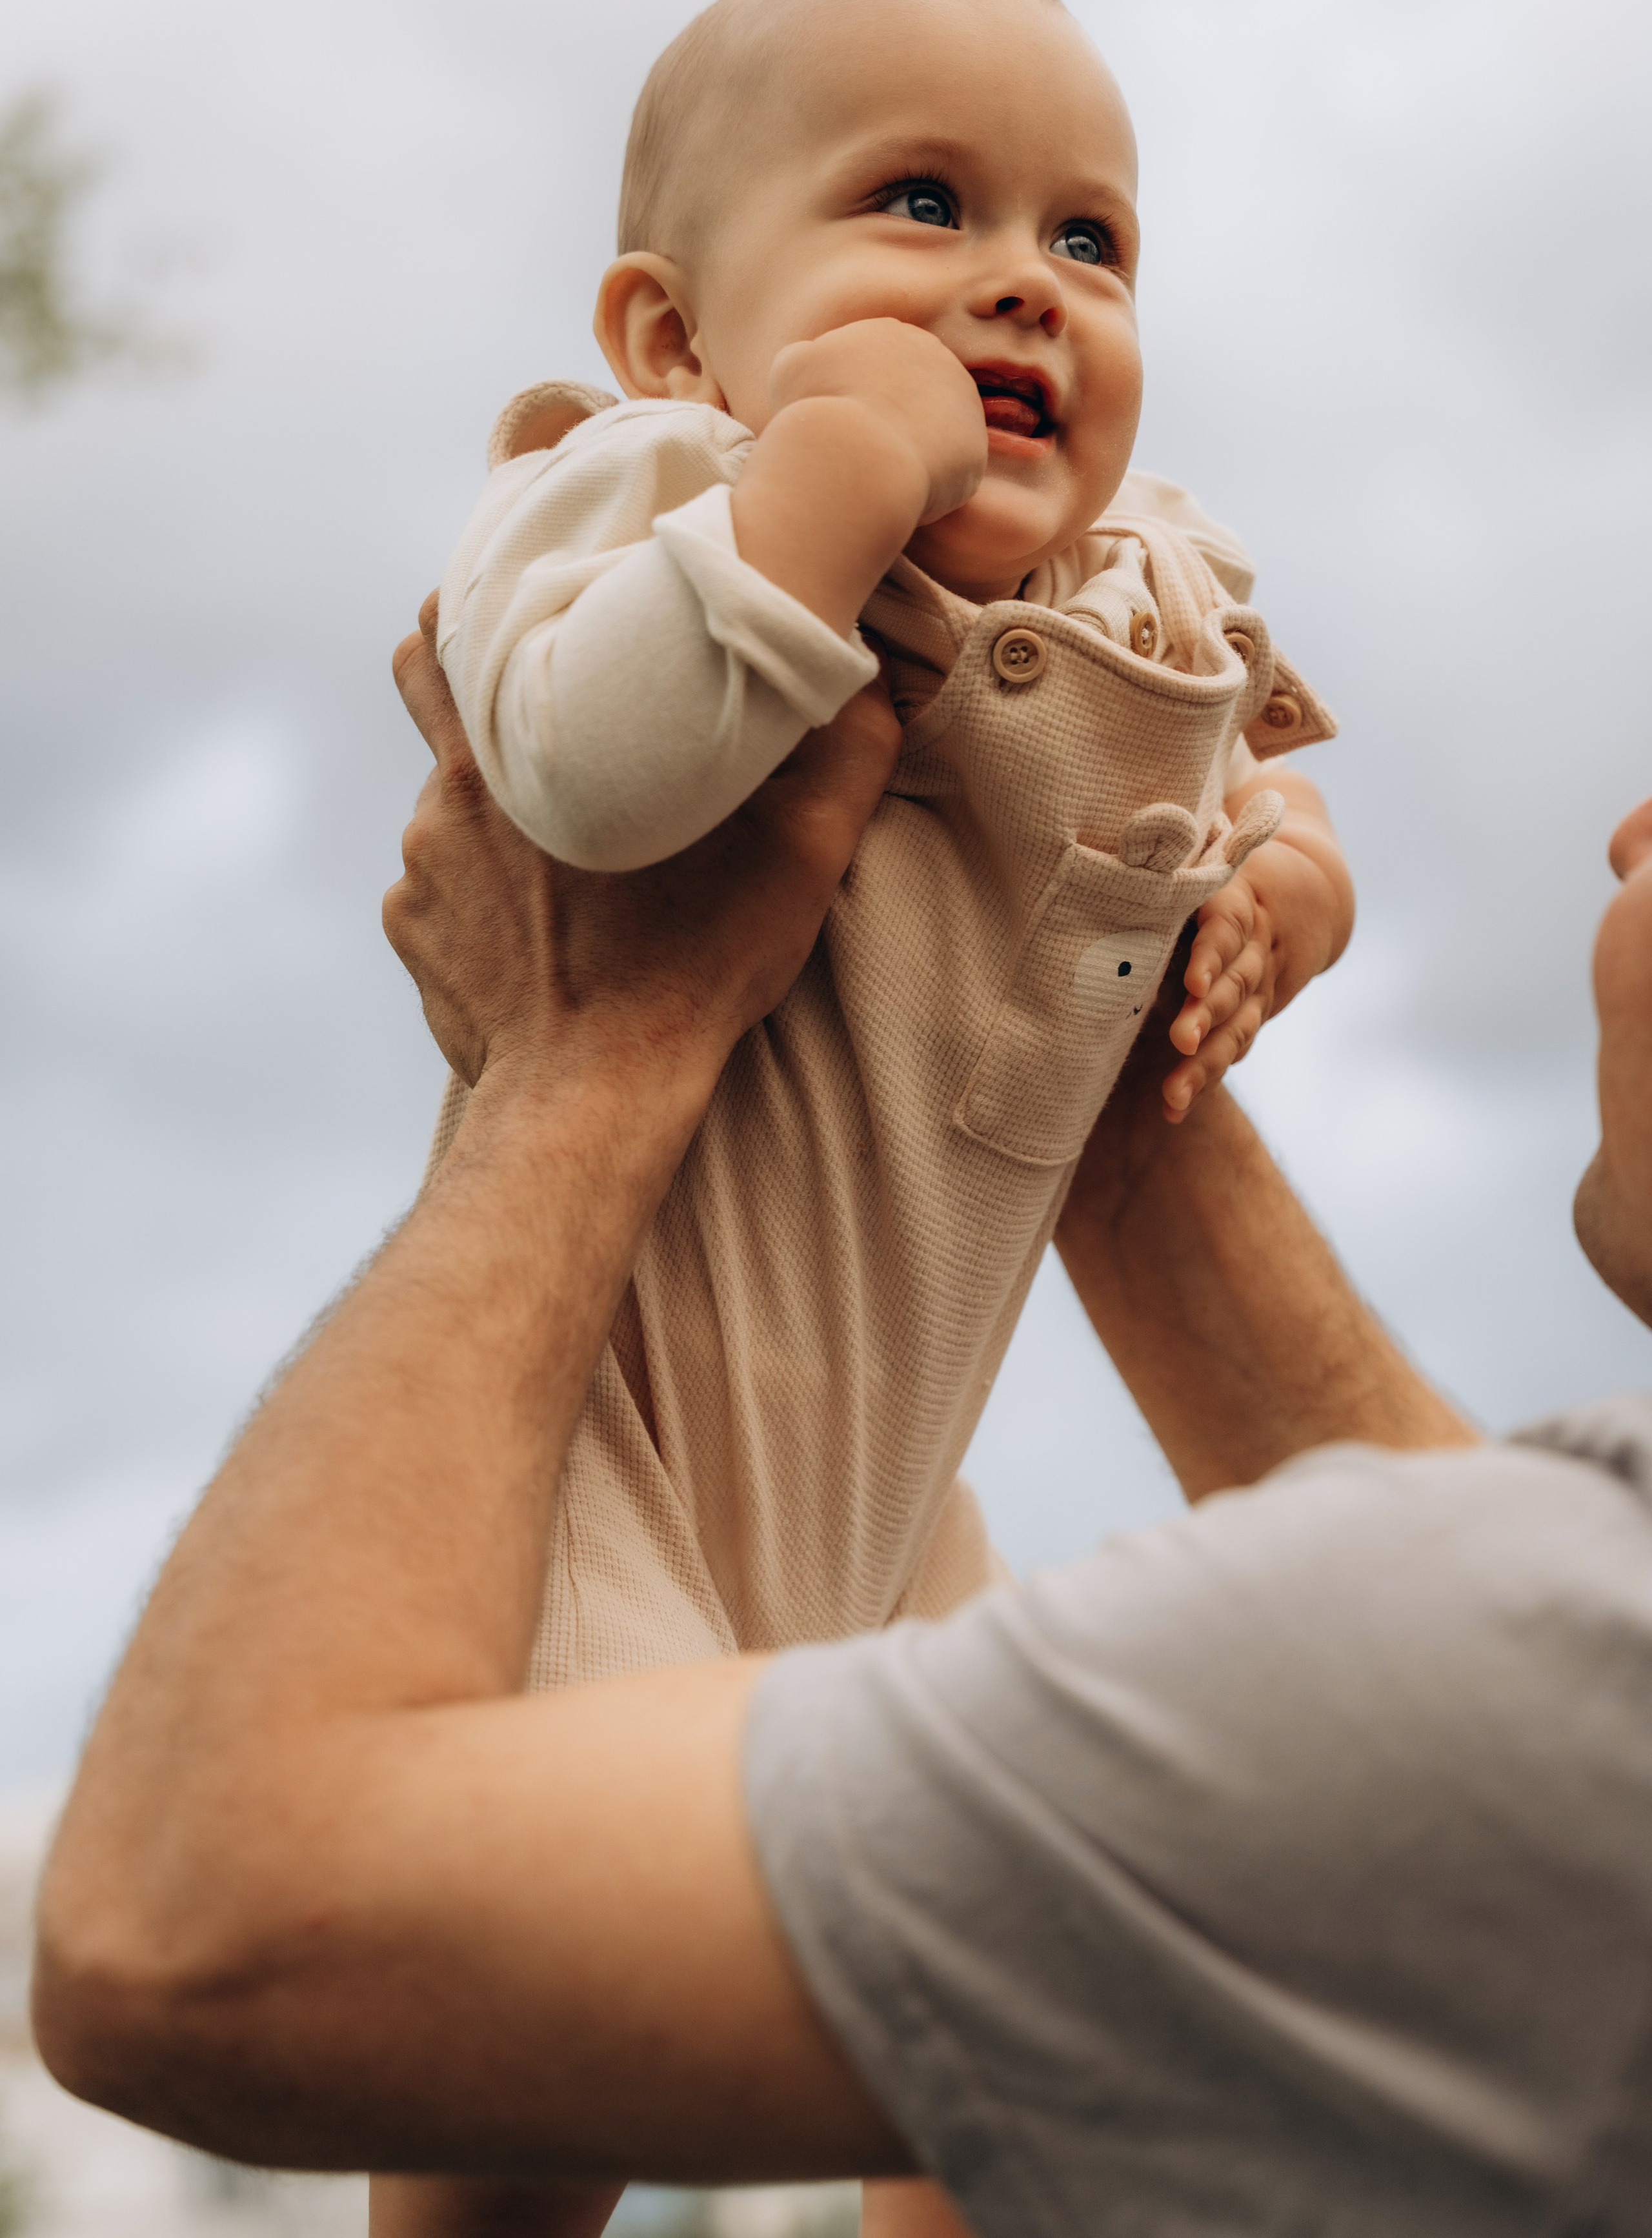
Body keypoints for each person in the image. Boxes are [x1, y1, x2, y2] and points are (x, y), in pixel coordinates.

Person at [33, 618, 1652, 2232]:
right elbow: (1433, 1584)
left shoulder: (1574, 1691)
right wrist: (1019, 955)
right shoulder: (1570, 1650)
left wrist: (590, 1052)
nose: (1624, 826)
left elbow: (192, 1920)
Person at [426, 0, 1353, 1725]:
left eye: (1090, 239)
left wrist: (1291, 872)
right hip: (600, 1463)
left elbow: (1255, 775)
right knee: (637, 1907)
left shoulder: (1144, 570)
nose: (1028, 283)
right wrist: (830, 486)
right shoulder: (643, 485)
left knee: (960, 1846)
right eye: (923, 202)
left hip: (905, 1497)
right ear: (676, 336)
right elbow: (576, 779)